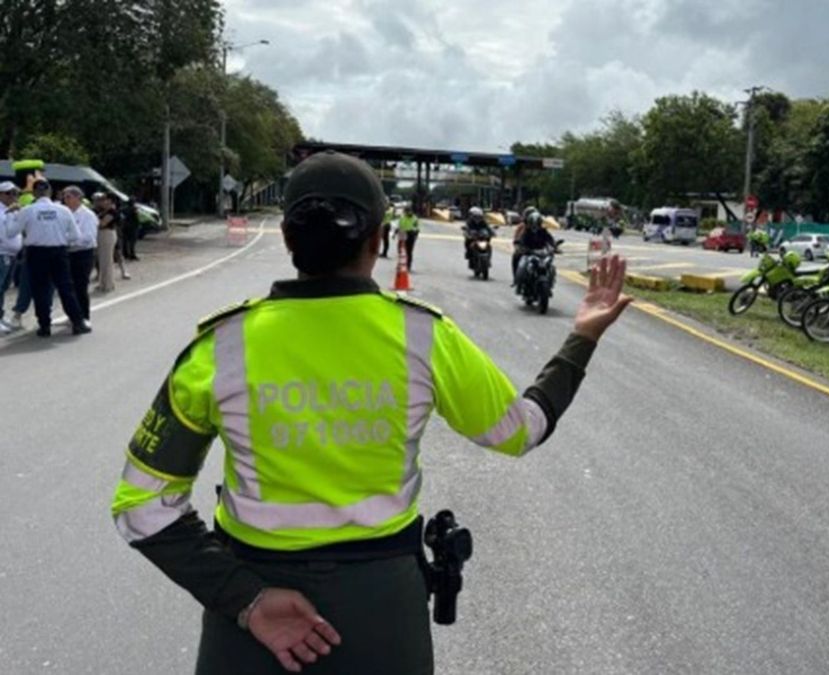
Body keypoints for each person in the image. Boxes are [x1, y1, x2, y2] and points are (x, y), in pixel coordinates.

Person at [109, 151, 632, 674]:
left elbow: (142, 509)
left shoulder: (219, 348)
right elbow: (523, 431)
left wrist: (244, 599)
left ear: (288, 239)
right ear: (379, 240)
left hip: (254, 618)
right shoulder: (424, 336)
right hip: (383, 610)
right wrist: (582, 335)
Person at [4, 180, 89, 337]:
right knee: (66, 288)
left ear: (34, 193)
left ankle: (44, 326)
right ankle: (78, 322)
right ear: (49, 192)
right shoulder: (63, 210)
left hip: (36, 253)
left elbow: (10, 232)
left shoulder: (27, 211)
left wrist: (12, 214)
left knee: (40, 290)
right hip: (59, 252)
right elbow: (76, 236)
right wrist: (60, 238)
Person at [62, 186, 98, 326]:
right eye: (64, 197)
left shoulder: (87, 215)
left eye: (68, 197)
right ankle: (73, 314)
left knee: (81, 286)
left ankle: (84, 316)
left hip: (83, 253)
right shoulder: (65, 213)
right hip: (68, 253)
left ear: (78, 198)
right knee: (68, 286)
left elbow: (88, 237)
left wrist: (68, 240)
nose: (65, 200)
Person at [514, 211, 556, 289]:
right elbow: (521, 240)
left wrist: (553, 247)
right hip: (529, 253)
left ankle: (551, 283)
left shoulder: (543, 231)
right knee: (522, 266)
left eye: (537, 223)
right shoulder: (526, 231)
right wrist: (521, 247)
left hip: (542, 253)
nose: (535, 226)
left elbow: (550, 239)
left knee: (551, 267)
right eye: (533, 223)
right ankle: (519, 283)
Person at [0, 182, 21, 334]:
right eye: (9, 193)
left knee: (4, 288)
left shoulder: (13, 210)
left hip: (12, 253)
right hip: (1, 253)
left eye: (15, 193)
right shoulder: (3, 211)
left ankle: (0, 316)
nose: (12, 196)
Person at [93, 192, 121, 292]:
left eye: (105, 199)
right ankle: (103, 282)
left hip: (107, 234)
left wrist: (94, 220)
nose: (102, 202)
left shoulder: (112, 211)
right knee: (102, 260)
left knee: (107, 260)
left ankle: (108, 284)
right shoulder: (105, 211)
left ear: (110, 200)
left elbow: (103, 223)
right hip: (102, 235)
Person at [120, 196, 139, 261]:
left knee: (125, 241)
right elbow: (136, 218)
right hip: (133, 227)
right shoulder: (134, 209)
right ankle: (132, 254)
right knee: (132, 242)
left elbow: (121, 217)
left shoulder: (123, 209)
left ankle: (125, 254)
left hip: (125, 226)